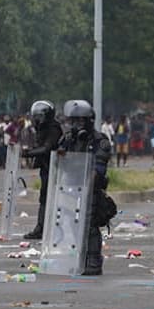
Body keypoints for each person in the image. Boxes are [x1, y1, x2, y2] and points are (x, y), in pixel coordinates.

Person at [57, 100, 113, 275]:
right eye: (72, 121)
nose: (75, 125)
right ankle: (80, 258)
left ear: (89, 121)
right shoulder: (67, 139)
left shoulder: (100, 141)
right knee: (73, 223)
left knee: (89, 225)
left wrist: (89, 187)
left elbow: (99, 168)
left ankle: (94, 260)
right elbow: (59, 164)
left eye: (80, 121)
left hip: (90, 189)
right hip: (71, 186)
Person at [21, 100, 63, 240]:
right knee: (45, 198)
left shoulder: (53, 128)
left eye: (39, 116)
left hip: (54, 168)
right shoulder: (43, 128)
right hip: (46, 168)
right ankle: (42, 228)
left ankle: (45, 228)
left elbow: (47, 148)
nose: (36, 120)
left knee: (51, 199)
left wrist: (28, 153)